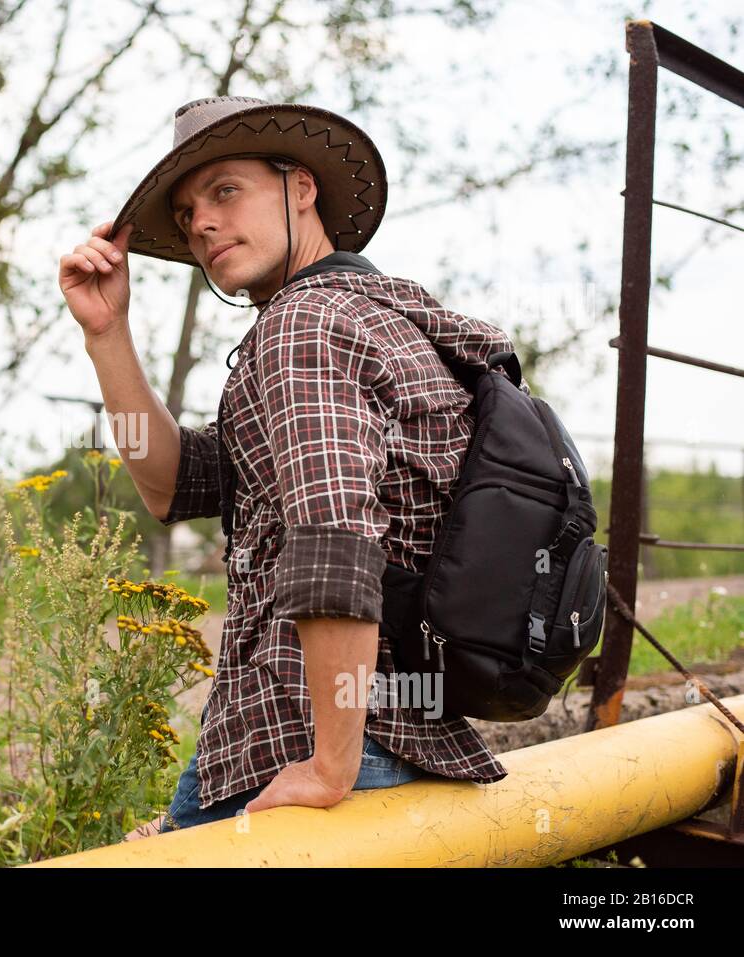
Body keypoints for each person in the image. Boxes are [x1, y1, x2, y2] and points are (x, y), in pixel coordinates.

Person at [58, 96, 511, 840]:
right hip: (398, 728)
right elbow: (173, 484)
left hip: (311, 747)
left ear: (302, 187)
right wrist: (108, 335)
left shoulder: (305, 325)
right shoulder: (373, 313)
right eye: (186, 211)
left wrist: (331, 763)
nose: (201, 221)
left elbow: (334, 531)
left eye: (225, 190)